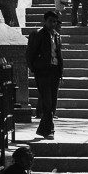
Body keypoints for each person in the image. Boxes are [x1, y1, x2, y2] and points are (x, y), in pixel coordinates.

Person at [26, 11, 64, 139]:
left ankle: (43, 129)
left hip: (55, 71)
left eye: (54, 21)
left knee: (52, 102)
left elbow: (58, 54)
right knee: (47, 102)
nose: (53, 24)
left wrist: (60, 71)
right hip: (42, 72)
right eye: (50, 21)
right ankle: (49, 130)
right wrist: (35, 68)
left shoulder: (57, 36)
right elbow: (30, 53)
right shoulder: (37, 35)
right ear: (45, 21)